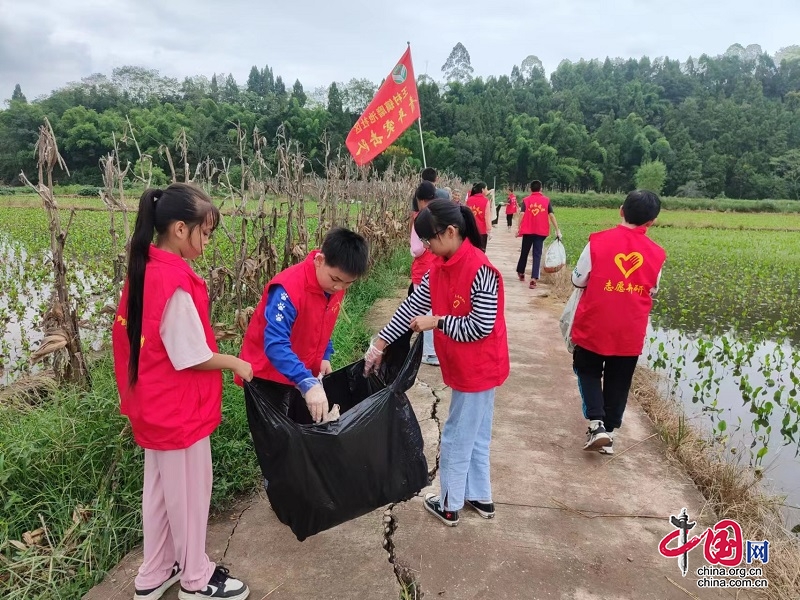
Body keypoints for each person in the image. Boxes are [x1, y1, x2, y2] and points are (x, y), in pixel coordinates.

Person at [112, 183, 253, 600]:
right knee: (191, 493)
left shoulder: (144, 268)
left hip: (153, 404)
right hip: (178, 411)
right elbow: (190, 355)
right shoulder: (173, 280)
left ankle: (155, 571)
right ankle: (195, 577)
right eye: (204, 233)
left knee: (158, 492)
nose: (207, 243)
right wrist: (235, 362)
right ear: (179, 229)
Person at [364, 199, 509, 527]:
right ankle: (480, 496)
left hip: (480, 367)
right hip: (464, 367)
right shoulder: (439, 267)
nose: (427, 246)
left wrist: (438, 322)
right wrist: (381, 343)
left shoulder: (481, 270)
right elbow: (411, 307)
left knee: (458, 435)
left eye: (430, 239)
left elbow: (479, 326)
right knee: (476, 433)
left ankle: (449, 503)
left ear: (452, 231)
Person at [239, 228, 369, 426]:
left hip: (300, 371)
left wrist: (324, 354)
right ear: (319, 260)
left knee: (299, 434)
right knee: (276, 439)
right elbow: (275, 344)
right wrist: (306, 381)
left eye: (347, 283)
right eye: (335, 280)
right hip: (268, 376)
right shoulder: (287, 290)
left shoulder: (332, 286)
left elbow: (322, 322)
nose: (339, 288)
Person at [570, 190, 666, 455]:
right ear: (652, 221)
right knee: (619, 379)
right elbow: (653, 289)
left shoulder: (597, 242)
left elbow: (578, 279)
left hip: (594, 323)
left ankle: (597, 422)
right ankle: (609, 433)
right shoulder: (657, 254)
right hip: (630, 328)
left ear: (621, 210)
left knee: (587, 370)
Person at [410, 181, 441, 366]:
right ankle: (431, 350)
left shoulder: (419, 218)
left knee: (424, 311)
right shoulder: (438, 215)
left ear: (420, 199)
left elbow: (416, 249)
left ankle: (428, 352)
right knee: (435, 310)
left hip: (422, 269)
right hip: (436, 268)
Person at [515, 180, 561, 289]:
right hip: (540, 232)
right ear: (541, 189)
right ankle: (534, 278)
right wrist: (557, 229)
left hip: (528, 231)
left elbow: (522, 214)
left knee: (524, 252)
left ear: (530, 189)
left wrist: (518, 228)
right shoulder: (546, 201)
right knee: (537, 255)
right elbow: (551, 215)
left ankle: (521, 272)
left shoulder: (526, 200)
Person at [465, 182, 493, 251]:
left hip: (470, 230)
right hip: (481, 231)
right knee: (481, 252)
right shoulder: (486, 201)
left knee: (471, 251)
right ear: (483, 189)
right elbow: (487, 217)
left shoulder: (469, 200)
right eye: (486, 188)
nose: (487, 190)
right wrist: (489, 231)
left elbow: (465, 215)